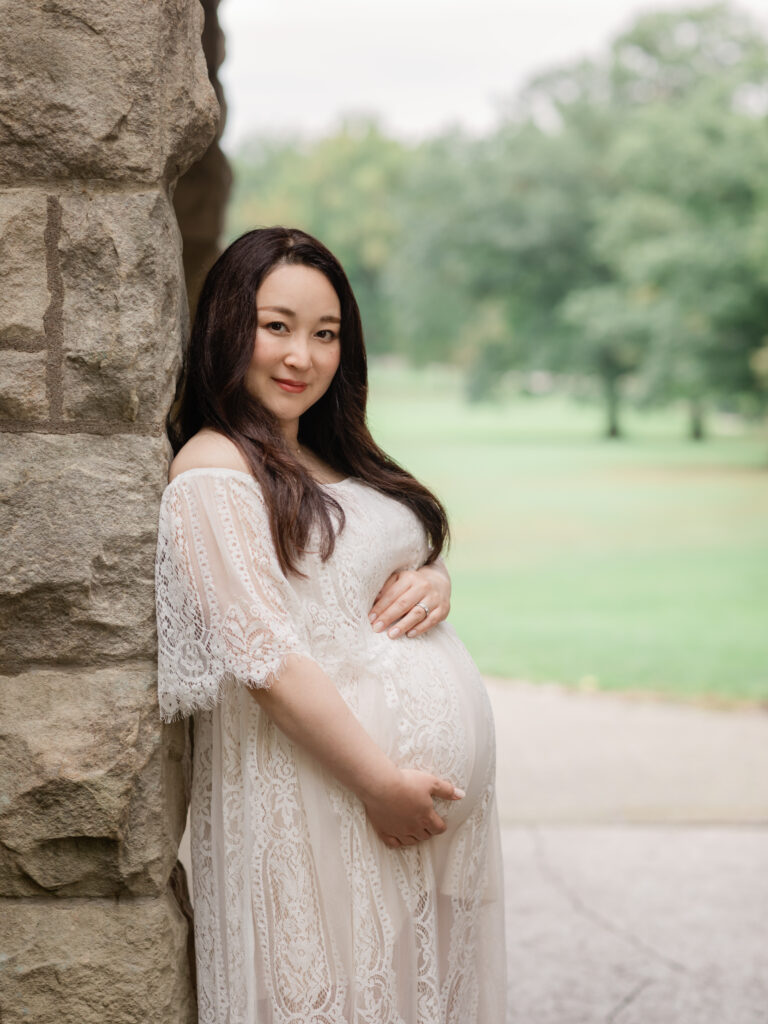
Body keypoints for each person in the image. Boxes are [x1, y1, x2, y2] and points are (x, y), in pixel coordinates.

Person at [154, 226, 507, 1024]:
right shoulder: (214, 469)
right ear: (225, 325)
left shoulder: (319, 452)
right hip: (319, 801)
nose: (301, 357)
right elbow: (268, 661)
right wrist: (381, 784)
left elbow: (352, 569)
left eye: (326, 334)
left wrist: (431, 577)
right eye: (275, 326)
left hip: (382, 811)